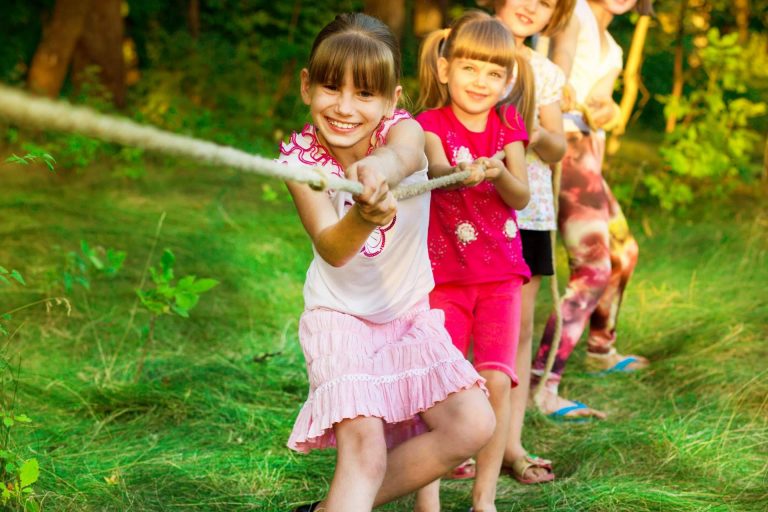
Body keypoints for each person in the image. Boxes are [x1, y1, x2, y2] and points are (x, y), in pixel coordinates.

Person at [280, 13, 497, 512]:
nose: (345, 108)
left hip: (407, 318)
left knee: (474, 425)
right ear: (306, 86)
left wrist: (375, 170)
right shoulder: (300, 163)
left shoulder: (407, 134)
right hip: (340, 320)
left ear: (393, 100)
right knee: (365, 452)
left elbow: (401, 157)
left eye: (365, 95)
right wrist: (365, 214)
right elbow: (333, 248)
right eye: (331, 88)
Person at [413, 10, 533, 511]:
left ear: (507, 81)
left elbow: (522, 195)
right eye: (469, 68)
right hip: (444, 279)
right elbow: (437, 167)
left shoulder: (509, 125)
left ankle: (484, 499)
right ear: (445, 70)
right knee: (439, 388)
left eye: (492, 73)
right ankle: (428, 498)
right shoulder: (429, 124)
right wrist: (460, 172)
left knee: (497, 383)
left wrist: (497, 171)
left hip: (501, 277)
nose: (480, 81)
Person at [530, 0, 653, 421]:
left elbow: (602, 102)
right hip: (564, 147)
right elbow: (559, 66)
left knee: (624, 253)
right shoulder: (574, 13)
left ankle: (601, 348)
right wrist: (564, 88)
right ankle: (541, 384)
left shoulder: (614, 48)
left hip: (589, 150)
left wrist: (610, 108)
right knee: (593, 268)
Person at [489, 0, 576, 484]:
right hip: (469, 209)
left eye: (545, 2)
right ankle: (456, 436)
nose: (531, 5)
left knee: (518, 329)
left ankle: (509, 442)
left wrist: (536, 131)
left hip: (529, 212)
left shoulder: (543, 70)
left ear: (554, 16)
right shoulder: (466, 49)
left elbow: (559, 145)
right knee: (459, 323)